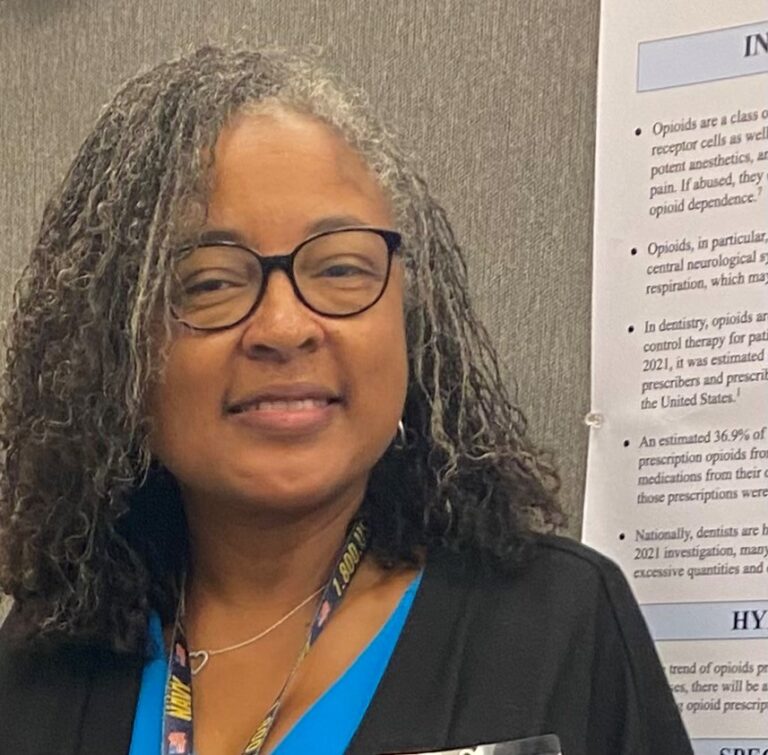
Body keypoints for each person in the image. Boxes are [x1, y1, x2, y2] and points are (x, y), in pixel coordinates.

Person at [0, 46, 692, 755]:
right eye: (208, 281)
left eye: (339, 268)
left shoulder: (558, 625)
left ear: (411, 318)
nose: (284, 327)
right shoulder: (43, 661)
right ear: (114, 349)